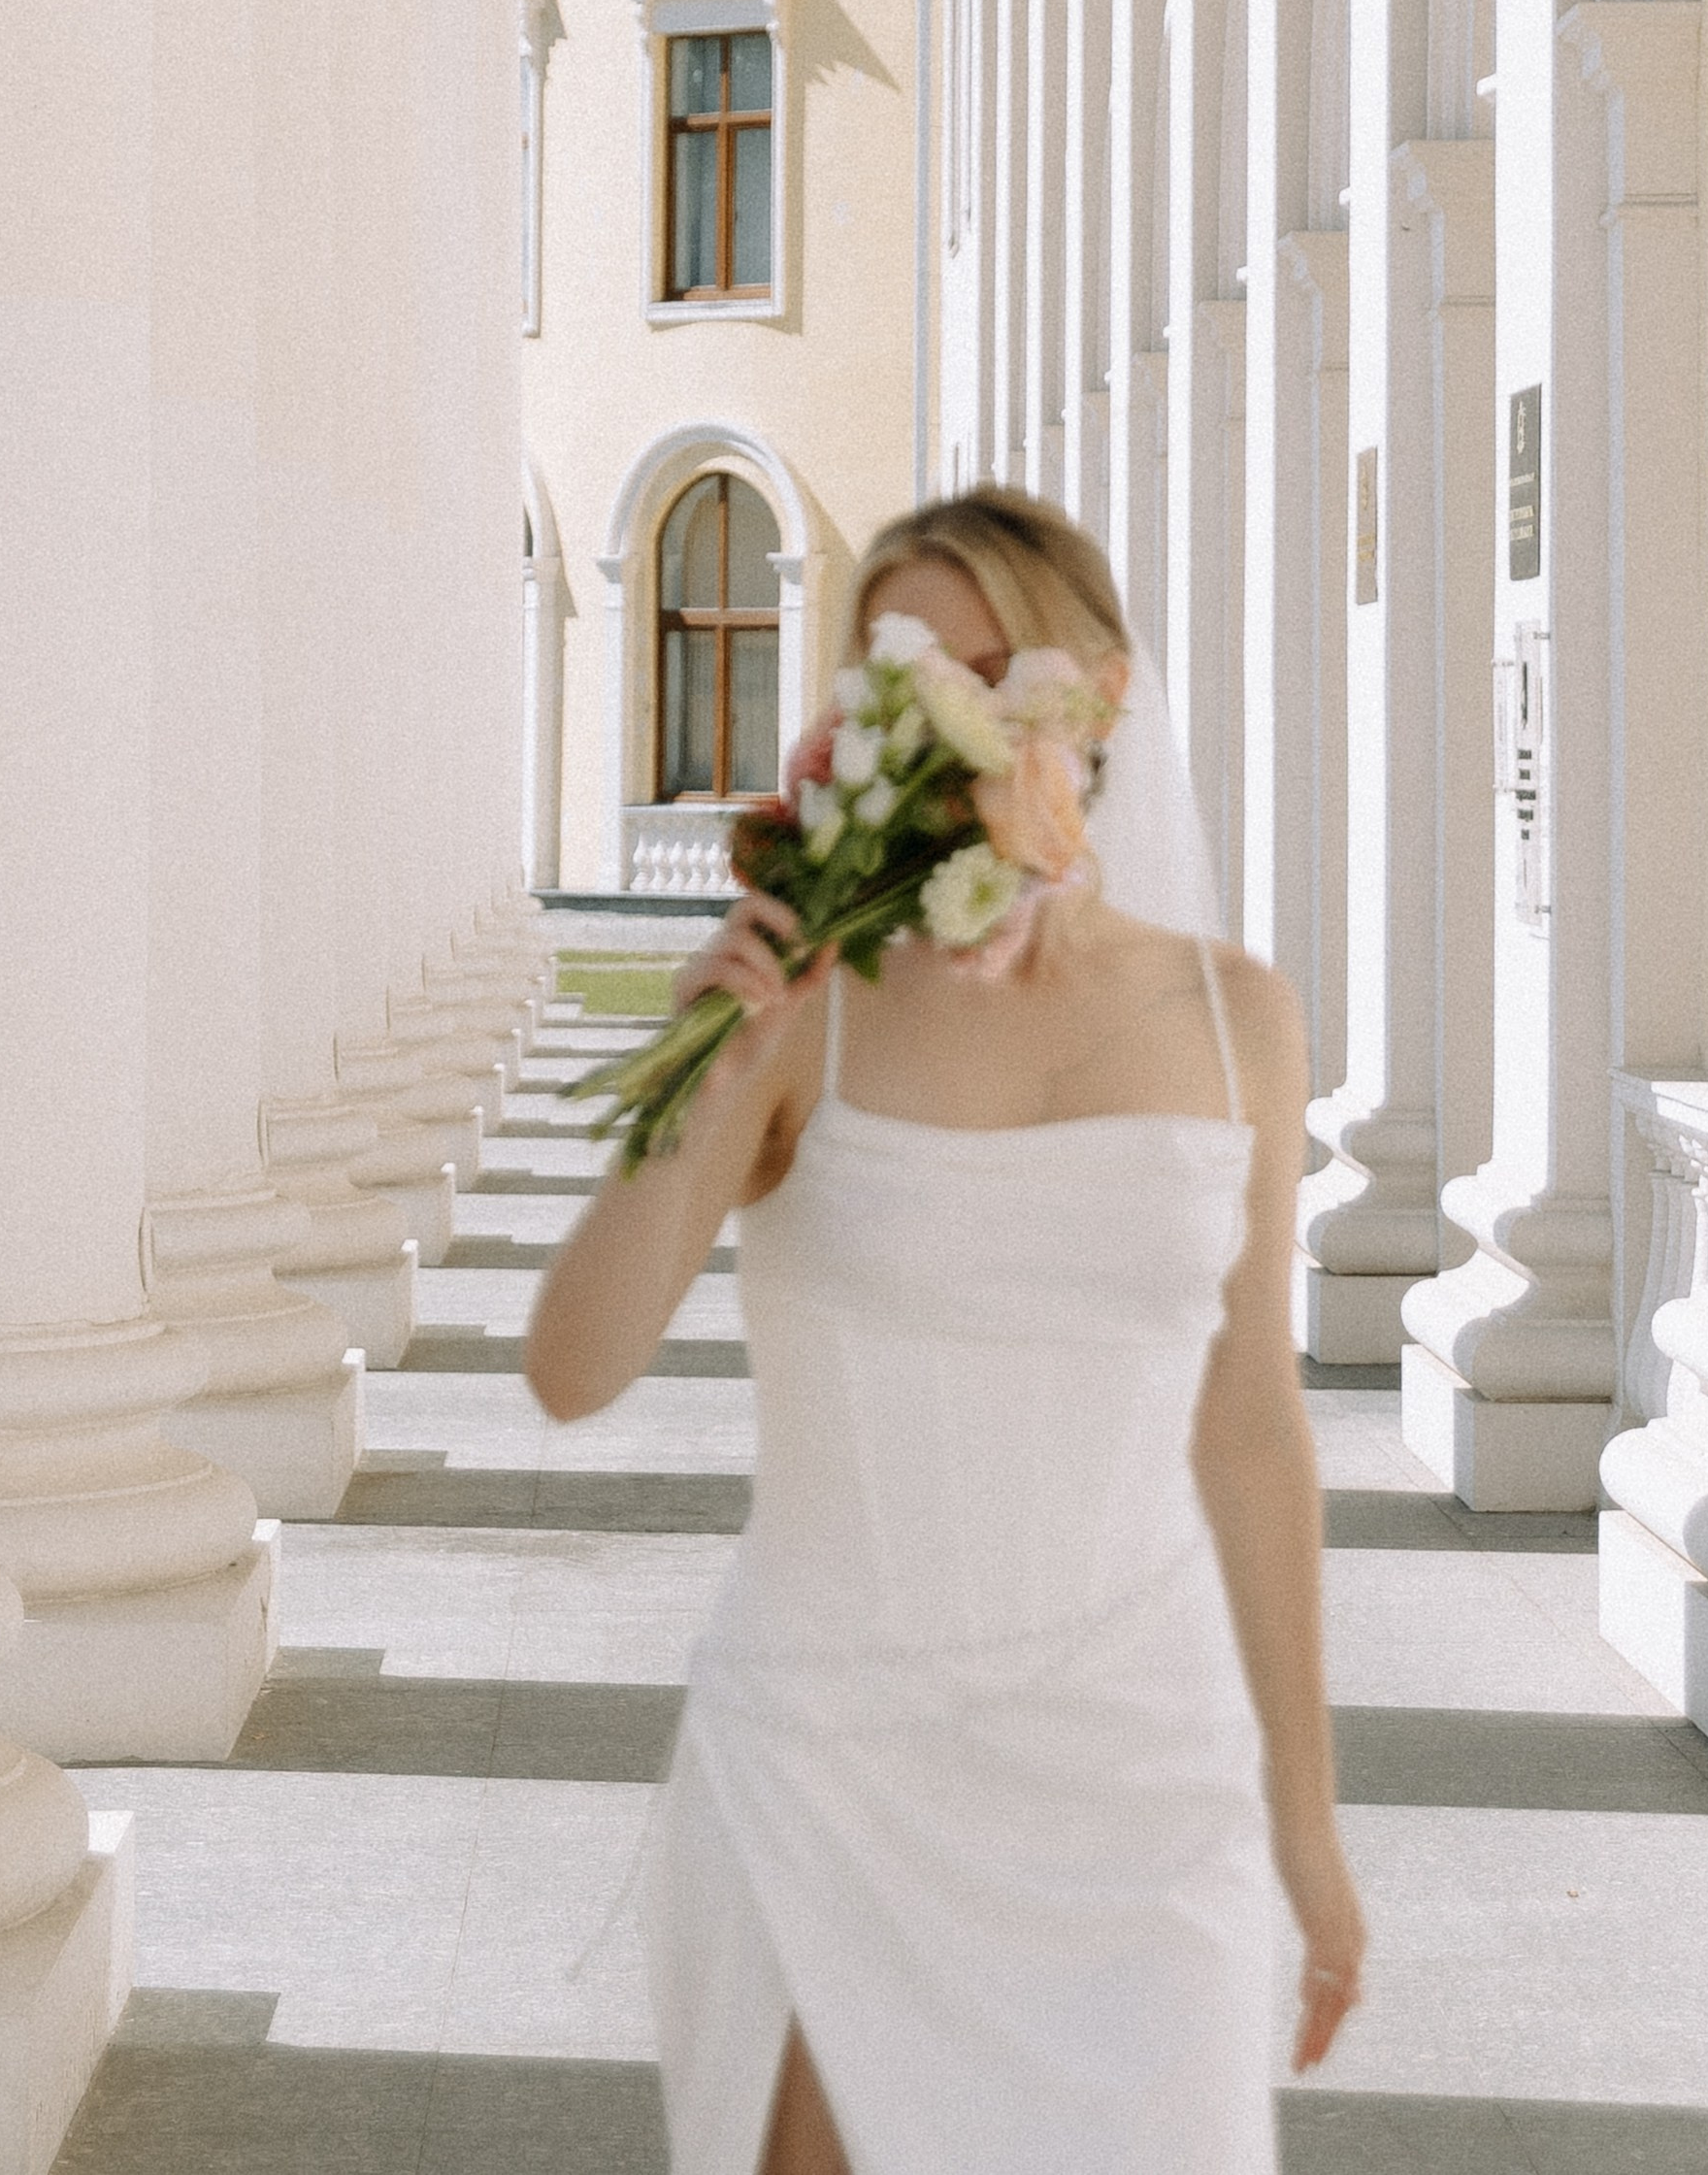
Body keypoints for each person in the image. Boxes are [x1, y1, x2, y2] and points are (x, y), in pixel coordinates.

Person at [526, 486, 1365, 2175]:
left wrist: (1307, 1820)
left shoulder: (1237, 1016)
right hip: (829, 1764)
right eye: (900, 675)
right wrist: (700, 1080)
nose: (940, 720)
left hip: (1145, 1776)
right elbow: (572, 1370)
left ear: (1099, 693)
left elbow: (1252, 1422)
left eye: (988, 672)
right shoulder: (807, 1009)